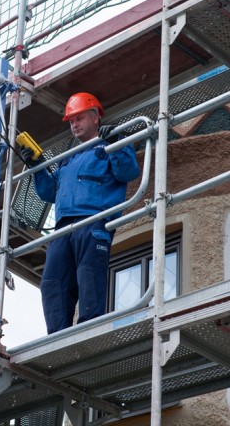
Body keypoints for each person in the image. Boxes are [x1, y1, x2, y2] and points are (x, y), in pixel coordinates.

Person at [21, 92, 140, 334]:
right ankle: (57, 335)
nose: (74, 124)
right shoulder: (68, 159)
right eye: (71, 120)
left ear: (95, 117)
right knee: (53, 282)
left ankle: (90, 328)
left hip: (93, 221)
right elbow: (49, 192)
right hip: (63, 227)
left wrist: (118, 142)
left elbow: (128, 172)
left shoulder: (109, 145)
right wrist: (37, 165)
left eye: (79, 118)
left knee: (89, 274)